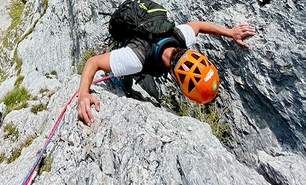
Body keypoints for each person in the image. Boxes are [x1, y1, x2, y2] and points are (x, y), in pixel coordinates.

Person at [77, 16, 256, 126]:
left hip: (145, 43)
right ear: (172, 75)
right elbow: (93, 63)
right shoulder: (135, 60)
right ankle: (119, 79)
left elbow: (198, 26)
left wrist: (231, 32)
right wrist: (83, 94)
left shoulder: (181, 36)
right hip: (130, 47)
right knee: (124, 80)